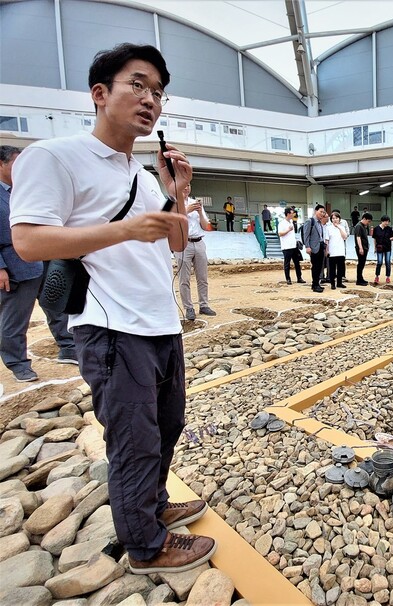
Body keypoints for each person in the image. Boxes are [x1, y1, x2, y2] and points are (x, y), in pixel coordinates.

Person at [10, 43, 214, 573]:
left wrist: (177, 193)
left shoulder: (142, 176)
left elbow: (172, 243)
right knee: (134, 439)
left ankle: (153, 506)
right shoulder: (54, 156)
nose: (151, 100)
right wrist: (124, 228)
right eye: (138, 85)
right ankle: (146, 548)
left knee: (166, 427)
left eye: (159, 92)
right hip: (111, 326)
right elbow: (29, 241)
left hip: (159, 321)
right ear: (100, 94)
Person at [1, 146, 76, 381]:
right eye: (16, 163)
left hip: (44, 259)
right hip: (15, 266)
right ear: (1, 165)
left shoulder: (25, 190)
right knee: (15, 317)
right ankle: (17, 362)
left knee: (57, 304)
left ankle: (68, 347)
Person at [177, 185, 215, 321]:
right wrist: (186, 211)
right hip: (182, 243)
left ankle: (204, 305)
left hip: (199, 242)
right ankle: (188, 308)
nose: (186, 188)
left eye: (188, 185)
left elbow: (205, 226)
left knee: (202, 277)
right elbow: (171, 221)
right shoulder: (173, 202)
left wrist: (199, 212)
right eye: (183, 185)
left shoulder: (196, 203)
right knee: (184, 279)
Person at [302, 205, 328, 292]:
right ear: (315, 211)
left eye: (323, 212)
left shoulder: (320, 222)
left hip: (320, 246)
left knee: (320, 266)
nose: (322, 213)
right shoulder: (310, 221)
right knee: (315, 267)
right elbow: (306, 235)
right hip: (313, 247)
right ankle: (315, 284)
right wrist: (307, 246)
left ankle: (316, 284)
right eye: (321, 211)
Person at [279, 207, 305, 285]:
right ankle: (288, 279)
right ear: (288, 214)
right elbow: (280, 234)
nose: (293, 214)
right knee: (287, 263)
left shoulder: (291, 223)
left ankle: (299, 278)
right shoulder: (282, 223)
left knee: (297, 263)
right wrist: (288, 230)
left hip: (293, 246)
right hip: (286, 247)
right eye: (292, 213)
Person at [325, 211, 348, 289]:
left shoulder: (342, 227)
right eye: (333, 218)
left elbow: (345, 237)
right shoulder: (328, 228)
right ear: (331, 219)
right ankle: (332, 283)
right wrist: (327, 250)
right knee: (332, 269)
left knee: (340, 269)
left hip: (341, 251)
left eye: (336, 218)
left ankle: (339, 283)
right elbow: (327, 241)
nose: (335, 220)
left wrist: (338, 227)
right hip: (332, 252)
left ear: (339, 219)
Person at [372, 215, 393, 284]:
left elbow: (391, 238)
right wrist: (375, 248)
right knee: (379, 262)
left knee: (388, 262)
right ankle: (377, 276)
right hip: (379, 248)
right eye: (386, 221)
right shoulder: (376, 229)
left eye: (388, 222)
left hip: (387, 248)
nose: (387, 223)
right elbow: (375, 239)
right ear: (382, 221)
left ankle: (388, 277)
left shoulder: (389, 229)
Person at [353, 212, 372, 285]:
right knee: (360, 264)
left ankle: (361, 278)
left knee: (362, 263)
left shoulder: (363, 226)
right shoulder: (359, 226)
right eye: (368, 221)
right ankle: (359, 280)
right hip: (361, 248)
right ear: (364, 219)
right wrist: (360, 248)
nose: (368, 223)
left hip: (365, 247)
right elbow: (358, 237)